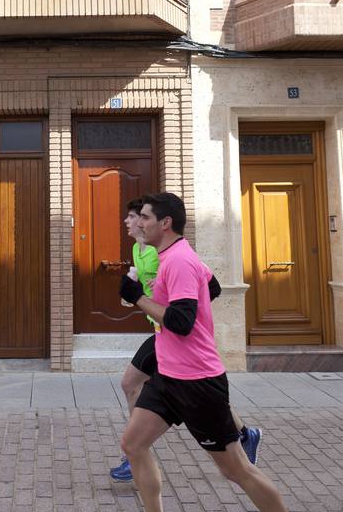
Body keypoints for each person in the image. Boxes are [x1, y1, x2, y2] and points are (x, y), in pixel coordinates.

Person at [115, 192, 323, 512]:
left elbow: (181, 321)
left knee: (235, 470)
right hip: (169, 376)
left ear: (165, 224)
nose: (138, 222)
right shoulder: (178, 258)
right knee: (133, 443)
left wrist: (135, 297)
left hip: (199, 384)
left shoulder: (177, 260)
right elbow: (208, 289)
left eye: (144, 217)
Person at [110, 198, 262, 483]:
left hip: (174, 335)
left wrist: (182, 310)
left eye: (135, 216)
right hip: (161, 333)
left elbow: (211, 286)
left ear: (158, 222)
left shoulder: (169, 253)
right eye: (134, 217)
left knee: (132, 383)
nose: (131, 222)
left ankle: (135, 455)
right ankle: (244, 434)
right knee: (190, 392)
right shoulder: (139, 249)